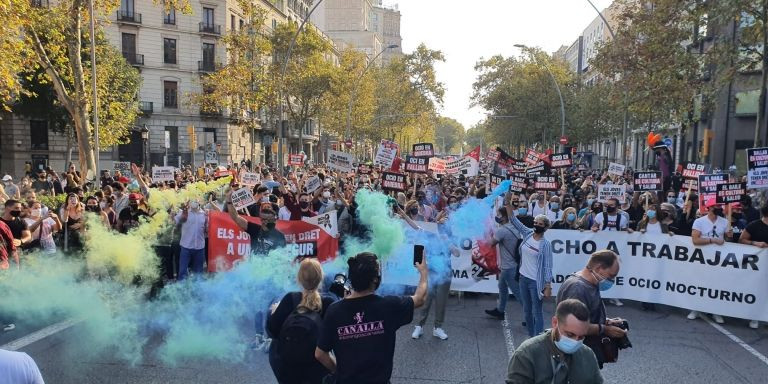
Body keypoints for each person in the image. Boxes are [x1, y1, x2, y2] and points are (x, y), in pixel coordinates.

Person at [315, 252, 429, 384]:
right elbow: (420, 299)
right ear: (375, 279)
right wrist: (424, 272)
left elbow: (320, 353)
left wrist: (338, 371)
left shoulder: (334, 311)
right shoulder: (388, 306)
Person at [267, 258, 336, 384]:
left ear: (299, 279)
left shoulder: (290, 299)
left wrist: (274, 312)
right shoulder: (329, 303)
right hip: (317, 368)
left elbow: (271, 331)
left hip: (288, 368)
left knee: (274, 345)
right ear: (321, 278)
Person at [556, 250, 628, 369]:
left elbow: (585, 315)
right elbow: (573, 327)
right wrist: (605, 329)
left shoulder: (589, 284)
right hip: (576, 356)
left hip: (585, 352)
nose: (612, 281)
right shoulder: (578, 288)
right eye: (611, 276)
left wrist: (606, 321)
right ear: (599, 268)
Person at [505, 299, 603, 384]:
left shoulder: (588, 355)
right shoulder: (526, 355)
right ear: (555, 322)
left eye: (581, 337)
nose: (575, 341)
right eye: (570, 335)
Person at [504, 195, 553, 338]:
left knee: (537, 311)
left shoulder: (546, 245)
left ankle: (538, 337)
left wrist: (548, 284)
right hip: (523, 278)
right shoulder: (527, 233)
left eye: (540, 223)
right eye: (535, 222)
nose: (536, 225)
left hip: (535, 282)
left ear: (545, 227)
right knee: (526, 310)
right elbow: (513, 219)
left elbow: (548, 266)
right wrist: (507, 203)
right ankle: (531, 337)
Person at [688, 198, 730, 323]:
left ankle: (715, 311)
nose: (719, 208)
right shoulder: (699, 221)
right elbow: (695, 240)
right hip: (702, 258)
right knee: (701, 284)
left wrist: (729, 236)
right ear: (710, 207)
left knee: (717, 285)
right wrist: (713, 240)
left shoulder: (725, 222)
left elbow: (728, 241)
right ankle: (696, 308)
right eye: (716, 206)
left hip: (718, 259)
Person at [485, 206, 523, 321]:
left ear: (505, 216)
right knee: (502, 287)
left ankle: (532, 315)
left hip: (508, 268)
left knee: (518, 293)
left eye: (499, 214)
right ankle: (500, 311)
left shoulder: (502, 230)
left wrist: (486, 232)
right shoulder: (514, 227)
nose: (497, 217)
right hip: (511, 265)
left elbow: (490, 243)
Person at [738, 203, 768, 329]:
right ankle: (754, 317)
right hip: (757, 265)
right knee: (757, 290)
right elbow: (741, 239)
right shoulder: (755, 225)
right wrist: (755, 243)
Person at [175, 199, 209, 280]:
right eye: (192, 199)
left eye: (196, 199)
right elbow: (174, 221)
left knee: (198, 273)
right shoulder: (184, 213)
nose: (194, 202)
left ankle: (196, 290)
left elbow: (207, 230)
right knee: (182, 272)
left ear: (200, 201)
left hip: (199, 248)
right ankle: (181, 290)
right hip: (186, 248)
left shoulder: (205, 214)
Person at [0, 220, 18, 332]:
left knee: (3, 294)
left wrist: (16, 266)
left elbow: (12, 246)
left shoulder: (1, 225)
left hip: (2, 266)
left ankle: (8, 321)